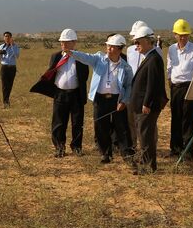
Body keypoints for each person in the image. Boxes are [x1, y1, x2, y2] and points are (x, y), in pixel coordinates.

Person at [68, 34, 134, 163]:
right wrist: (72, 53)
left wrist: (124, 101)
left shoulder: (126, 67)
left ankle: (127, 155)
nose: (108, 48)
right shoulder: (99, 59)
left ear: (120, 49)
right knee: (100, 126)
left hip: (117, 100)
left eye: (112, 47)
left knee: (122, 128)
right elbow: (86, 57)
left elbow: (129, 86)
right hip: (100, 99)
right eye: (108, 45)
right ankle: (105, 153)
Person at [130, 26, 167, 174]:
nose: (136, 45)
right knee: (143, 134)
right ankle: (146, 163)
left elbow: (153, 84)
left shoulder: (153, 59)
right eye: (135, 42)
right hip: (141, 104)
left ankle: (149, 166)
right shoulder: (150, 58)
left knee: (146, 136)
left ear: (147, 41)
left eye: (138, 42)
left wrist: (147, 103)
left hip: (146, 106)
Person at [50, 29, 89, 157]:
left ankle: (76, 147)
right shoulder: (56, 57)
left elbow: (84, 76)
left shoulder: (81, 58)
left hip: (76, 94)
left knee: (77, 122)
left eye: (67, 42)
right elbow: (51, 74)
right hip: (60, 94)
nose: (64, 45)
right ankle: (59, 147)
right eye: (62, 42)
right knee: (59, 122)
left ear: (74, 43)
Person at [166, 19, 193, 159]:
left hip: (189, 87)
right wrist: (170, 81)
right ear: (175, 34)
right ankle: (175, 149)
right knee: (176, 118)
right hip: (175, 87)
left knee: (188, 120)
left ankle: (188, 151)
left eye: (185, 35)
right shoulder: (171, 49)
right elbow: (169, 67)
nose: (183, 37)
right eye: (180, 35)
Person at [0, 31, 20, 108]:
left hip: (12, 68)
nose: (7, 38)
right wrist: (0, 54)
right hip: (4, 67)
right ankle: (5, 102)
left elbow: (17, 56)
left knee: (10, 85)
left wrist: (12, 45)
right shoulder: (1, 46)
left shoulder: (15, 46)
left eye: (8, 36)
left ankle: (7, 100)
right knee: (4, 85)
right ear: (3, 38)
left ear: (11, 38)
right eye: (5, 36)